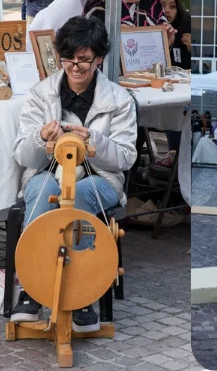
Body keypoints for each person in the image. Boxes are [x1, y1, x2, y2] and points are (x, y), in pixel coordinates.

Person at [11, 17, 138, 332]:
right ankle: (30, 286)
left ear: (99, 58)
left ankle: (81, 292)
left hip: (101, 179)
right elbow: (22, 155)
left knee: (79, 196)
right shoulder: (41, 94)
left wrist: (93, 141)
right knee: (42, 193)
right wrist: (41, 137)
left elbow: (126, 158)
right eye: (68, 59)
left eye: (84, 59)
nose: (75, 67)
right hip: (45, 173)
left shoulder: (119, 100)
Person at [158, 0, 191, 70]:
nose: (166, 10)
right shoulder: (147, 32)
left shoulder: (186, 27)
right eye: (161, 5)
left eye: (172, 6)